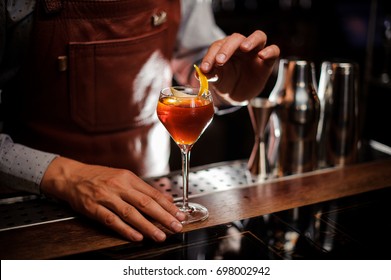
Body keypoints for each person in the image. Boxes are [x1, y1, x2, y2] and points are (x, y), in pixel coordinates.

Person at [0, 0, 280, 242]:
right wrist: (66, 177)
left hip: (154, 203)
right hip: (40, 210)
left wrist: (227, 86)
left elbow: (194, 64)